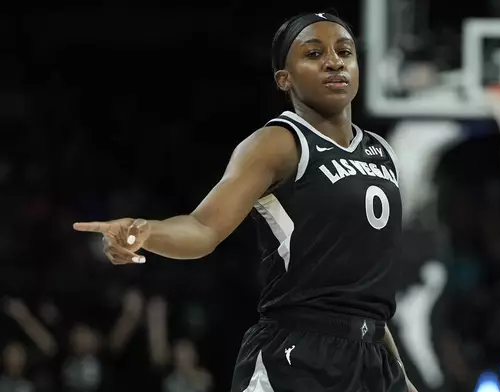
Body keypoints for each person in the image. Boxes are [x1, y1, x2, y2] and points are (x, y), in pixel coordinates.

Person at [74, 12, 417, 392]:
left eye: (344, 51)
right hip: (298, 352)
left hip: (374, 357)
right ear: (284, 79)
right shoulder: (277, 143)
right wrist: (142, 231)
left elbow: (367, 293)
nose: (334, 61)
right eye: (314, 53)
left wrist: (399, 372)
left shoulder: (382, 153)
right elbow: (203, 228)